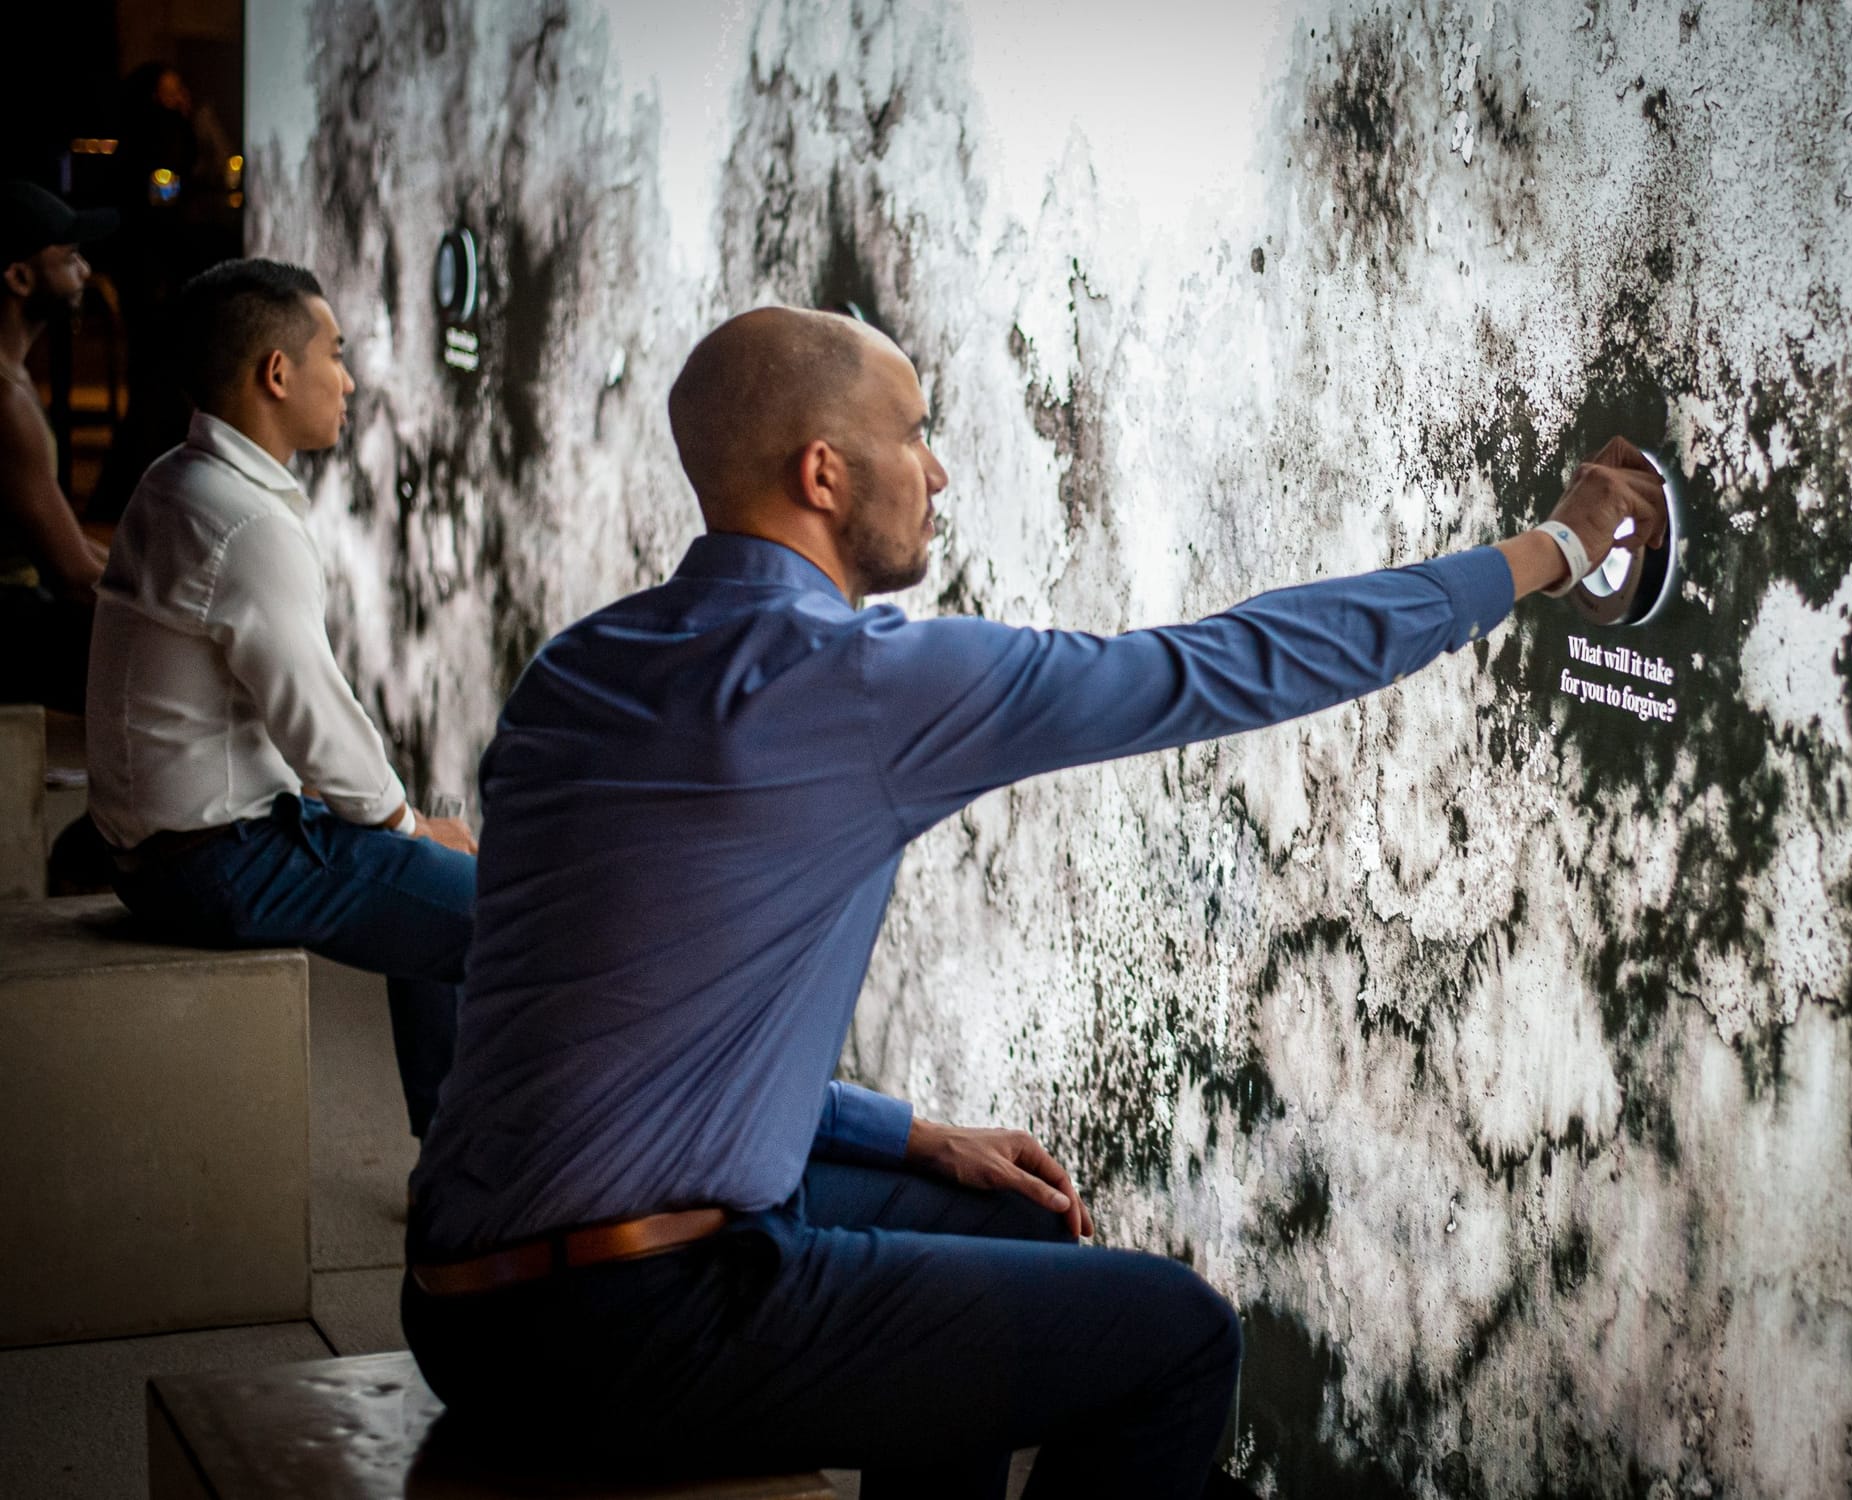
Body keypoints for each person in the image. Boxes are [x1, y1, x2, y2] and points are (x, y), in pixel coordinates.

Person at [402, 307, 1665, 1497]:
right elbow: (1229, 666)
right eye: (913, 434)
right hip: (628, 1327)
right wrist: (1548, 553)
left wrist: (909, 1135)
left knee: (1005, 1216)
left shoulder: (575, 670)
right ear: (823, 474)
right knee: (1180, 1338)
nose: (937, 471)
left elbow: (622, 1028)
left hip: (463, 1305)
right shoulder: (860, 685)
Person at [86, 258, 477, 1139]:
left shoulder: (176, 479)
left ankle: (450, 1155)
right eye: (333, 354)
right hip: (212, 864)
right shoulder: (249, 523)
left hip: (157, 850)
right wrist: (410, 826)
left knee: (432, 889)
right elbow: (317, 722)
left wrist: (402, 830)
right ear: (276, 373)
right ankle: (470, 1175)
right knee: (489, 913)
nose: (348, 380)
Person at [0, 180, 115, 712]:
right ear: (20, 277)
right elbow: (73, 574)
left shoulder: (14, 378)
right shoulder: (5, 400)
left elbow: (73, 544)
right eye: (69, 258)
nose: (85, 272)